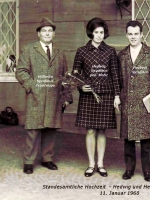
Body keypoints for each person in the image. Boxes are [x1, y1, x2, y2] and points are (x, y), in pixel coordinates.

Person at [16, 17, 73, 174]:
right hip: (36, 96)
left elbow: (65, 75)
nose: (47, 33)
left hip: (54, 97)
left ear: (53, 34)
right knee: (33, 130)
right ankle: (28, 161)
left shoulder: (59, 52)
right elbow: (20, 71)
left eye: (50, 31)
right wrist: (32, 86)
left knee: (50, 128)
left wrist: (67, 97)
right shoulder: (29, 49)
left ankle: (47, 158)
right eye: (44, 31)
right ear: (39, 34)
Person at [72, 17, 121, 177]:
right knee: (91, 131)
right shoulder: (81, 51)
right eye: (96, 32)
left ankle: (100, 164)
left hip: (106, 95)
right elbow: (75, 75)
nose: (99, 35)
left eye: (101, 32)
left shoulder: (110, 51)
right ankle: (91, 164)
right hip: (89, 96)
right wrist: (81, 86)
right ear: (90, 33)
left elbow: (115, 75)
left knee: (102, 130)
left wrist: (117, 95)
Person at [118, 20, 150, 182]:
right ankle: (129, 169)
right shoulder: (122, 55)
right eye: (130, 34)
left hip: (146, 104)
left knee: (146, 140)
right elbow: (117, 80)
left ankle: (147, 171)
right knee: (128, 139)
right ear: (126, 35)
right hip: (128, 103)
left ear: (141, 35)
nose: (133, 37)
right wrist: (117, 96)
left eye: (136, 34)